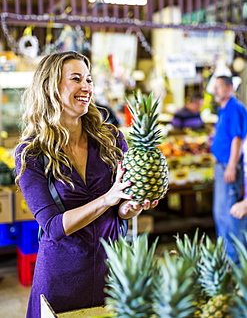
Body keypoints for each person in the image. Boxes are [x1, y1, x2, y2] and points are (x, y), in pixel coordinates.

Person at [14, 51, 158, 318]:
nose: (86, 87)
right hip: (63, 275)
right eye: (76, 79)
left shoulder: (111, 139)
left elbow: (120, 208)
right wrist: (107, 198)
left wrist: (131, 207)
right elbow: (54, 227)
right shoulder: (32, 153)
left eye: (89, 80)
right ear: (50, 87)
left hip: (112, 267)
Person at [211, 75, 247, 265]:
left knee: (231, 214)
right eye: (214, 87)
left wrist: (231, 165)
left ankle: (237, 262)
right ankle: (226, 257)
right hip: (222, 166)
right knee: (221, 214)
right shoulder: (224, 109)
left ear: (230, 88)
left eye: (219, 87)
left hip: (230, 167)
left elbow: (238, 139)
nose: (215, 91)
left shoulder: (235, 108)